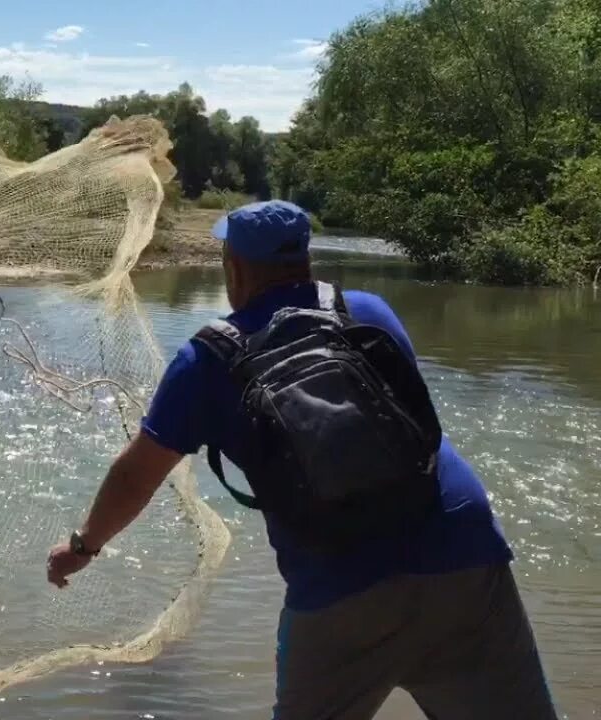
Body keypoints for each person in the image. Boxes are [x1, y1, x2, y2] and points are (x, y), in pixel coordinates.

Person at [45, 200, 557, 720]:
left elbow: (136, 475)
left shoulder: (205, 361)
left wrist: (83, 546)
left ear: (235, 268)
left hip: (339, 591)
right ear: (305, 259)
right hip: (463, 550)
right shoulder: (369, 312)